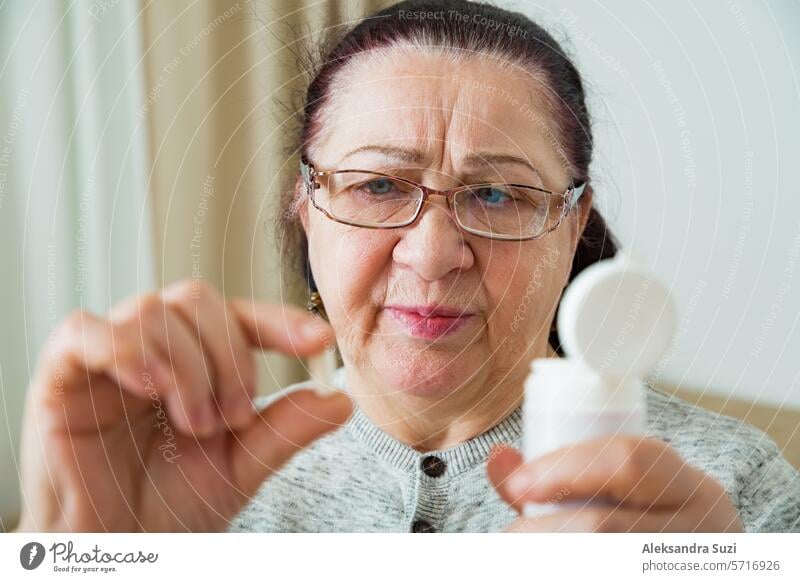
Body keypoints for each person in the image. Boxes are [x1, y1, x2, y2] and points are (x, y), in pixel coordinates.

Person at [16, 0, 800, 533]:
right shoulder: (186, 489)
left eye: (496, 194)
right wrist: (90, 555)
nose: (431, 254)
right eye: (378, 185)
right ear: (305, 206)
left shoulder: (732, 494)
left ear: (574, 227)